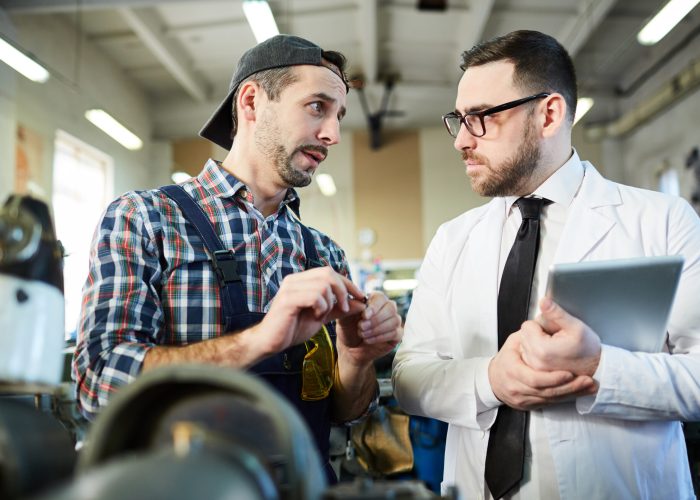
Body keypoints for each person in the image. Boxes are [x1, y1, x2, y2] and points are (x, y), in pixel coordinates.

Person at [72, 34, 403, 480]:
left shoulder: (322, 254)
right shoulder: (146, 219)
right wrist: (260, 340)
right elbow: (100, 382)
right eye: (317, 107)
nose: (333, 134)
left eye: (338, 116)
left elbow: (345, 412)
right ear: (251, 102)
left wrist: (357, 356)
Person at [392, 29, 700, 500]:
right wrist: (491, 380)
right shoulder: (453, 239)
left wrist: (598, 368)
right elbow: (410, 377)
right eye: (459, 119)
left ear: (549, 114)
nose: (461, 142)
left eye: (481, 119)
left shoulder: (661, 221)